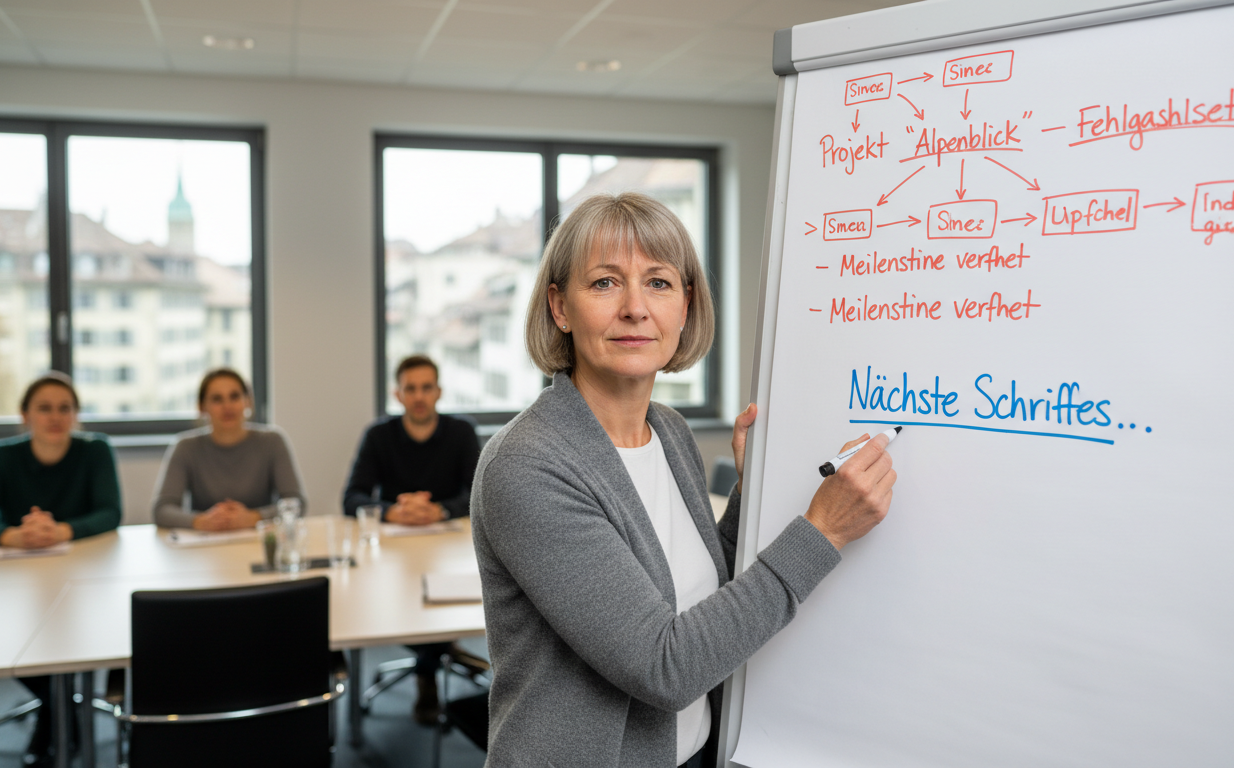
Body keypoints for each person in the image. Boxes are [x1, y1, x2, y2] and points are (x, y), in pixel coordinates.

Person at [472, 193, 897, 767]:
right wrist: (823, 533)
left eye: (659, 282)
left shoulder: (668, 431)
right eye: (603, 283)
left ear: (686, 304)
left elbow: (699, 590)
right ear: (559, 307)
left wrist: (749, 497)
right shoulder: (528, 465)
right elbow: (663, 665)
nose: (635, 308)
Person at [0, 372, 122, 766]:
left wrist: (61, 530)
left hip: (87, 576)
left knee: (84, 634)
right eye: (44, 408)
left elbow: (111, 513)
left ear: (76, 415)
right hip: (18, 579)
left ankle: (56, 716)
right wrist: (12, 535)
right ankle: (60, 708)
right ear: (25, 414)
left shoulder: (95, 450)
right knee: (14, 638)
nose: (55, 417)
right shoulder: (3, 456)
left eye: (65, 408)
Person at [342, 354, 481, 723]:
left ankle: (427, 666)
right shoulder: (379, 435)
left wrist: (439, 510)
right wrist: (392, 510)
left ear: (438, 392)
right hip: (394, 552)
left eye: (426, 388)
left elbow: (479, 493)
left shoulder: (461, 432)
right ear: (398, 394)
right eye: (410, 389)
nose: (419, 396)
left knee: (438, 595)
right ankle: (429, 666)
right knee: (404, 595)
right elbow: (351, 497)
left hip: (451, 547)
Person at [151, 368, 306, 530]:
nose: (227, 406)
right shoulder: (186, 447)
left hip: (259, 542)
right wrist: (201, 521)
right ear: (202, 406)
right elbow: (162, 510)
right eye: (217, 399)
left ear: (248, 401)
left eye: (235, 396)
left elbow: (297, 503)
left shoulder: (273, 441)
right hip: (204, 547)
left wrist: (254, 517)